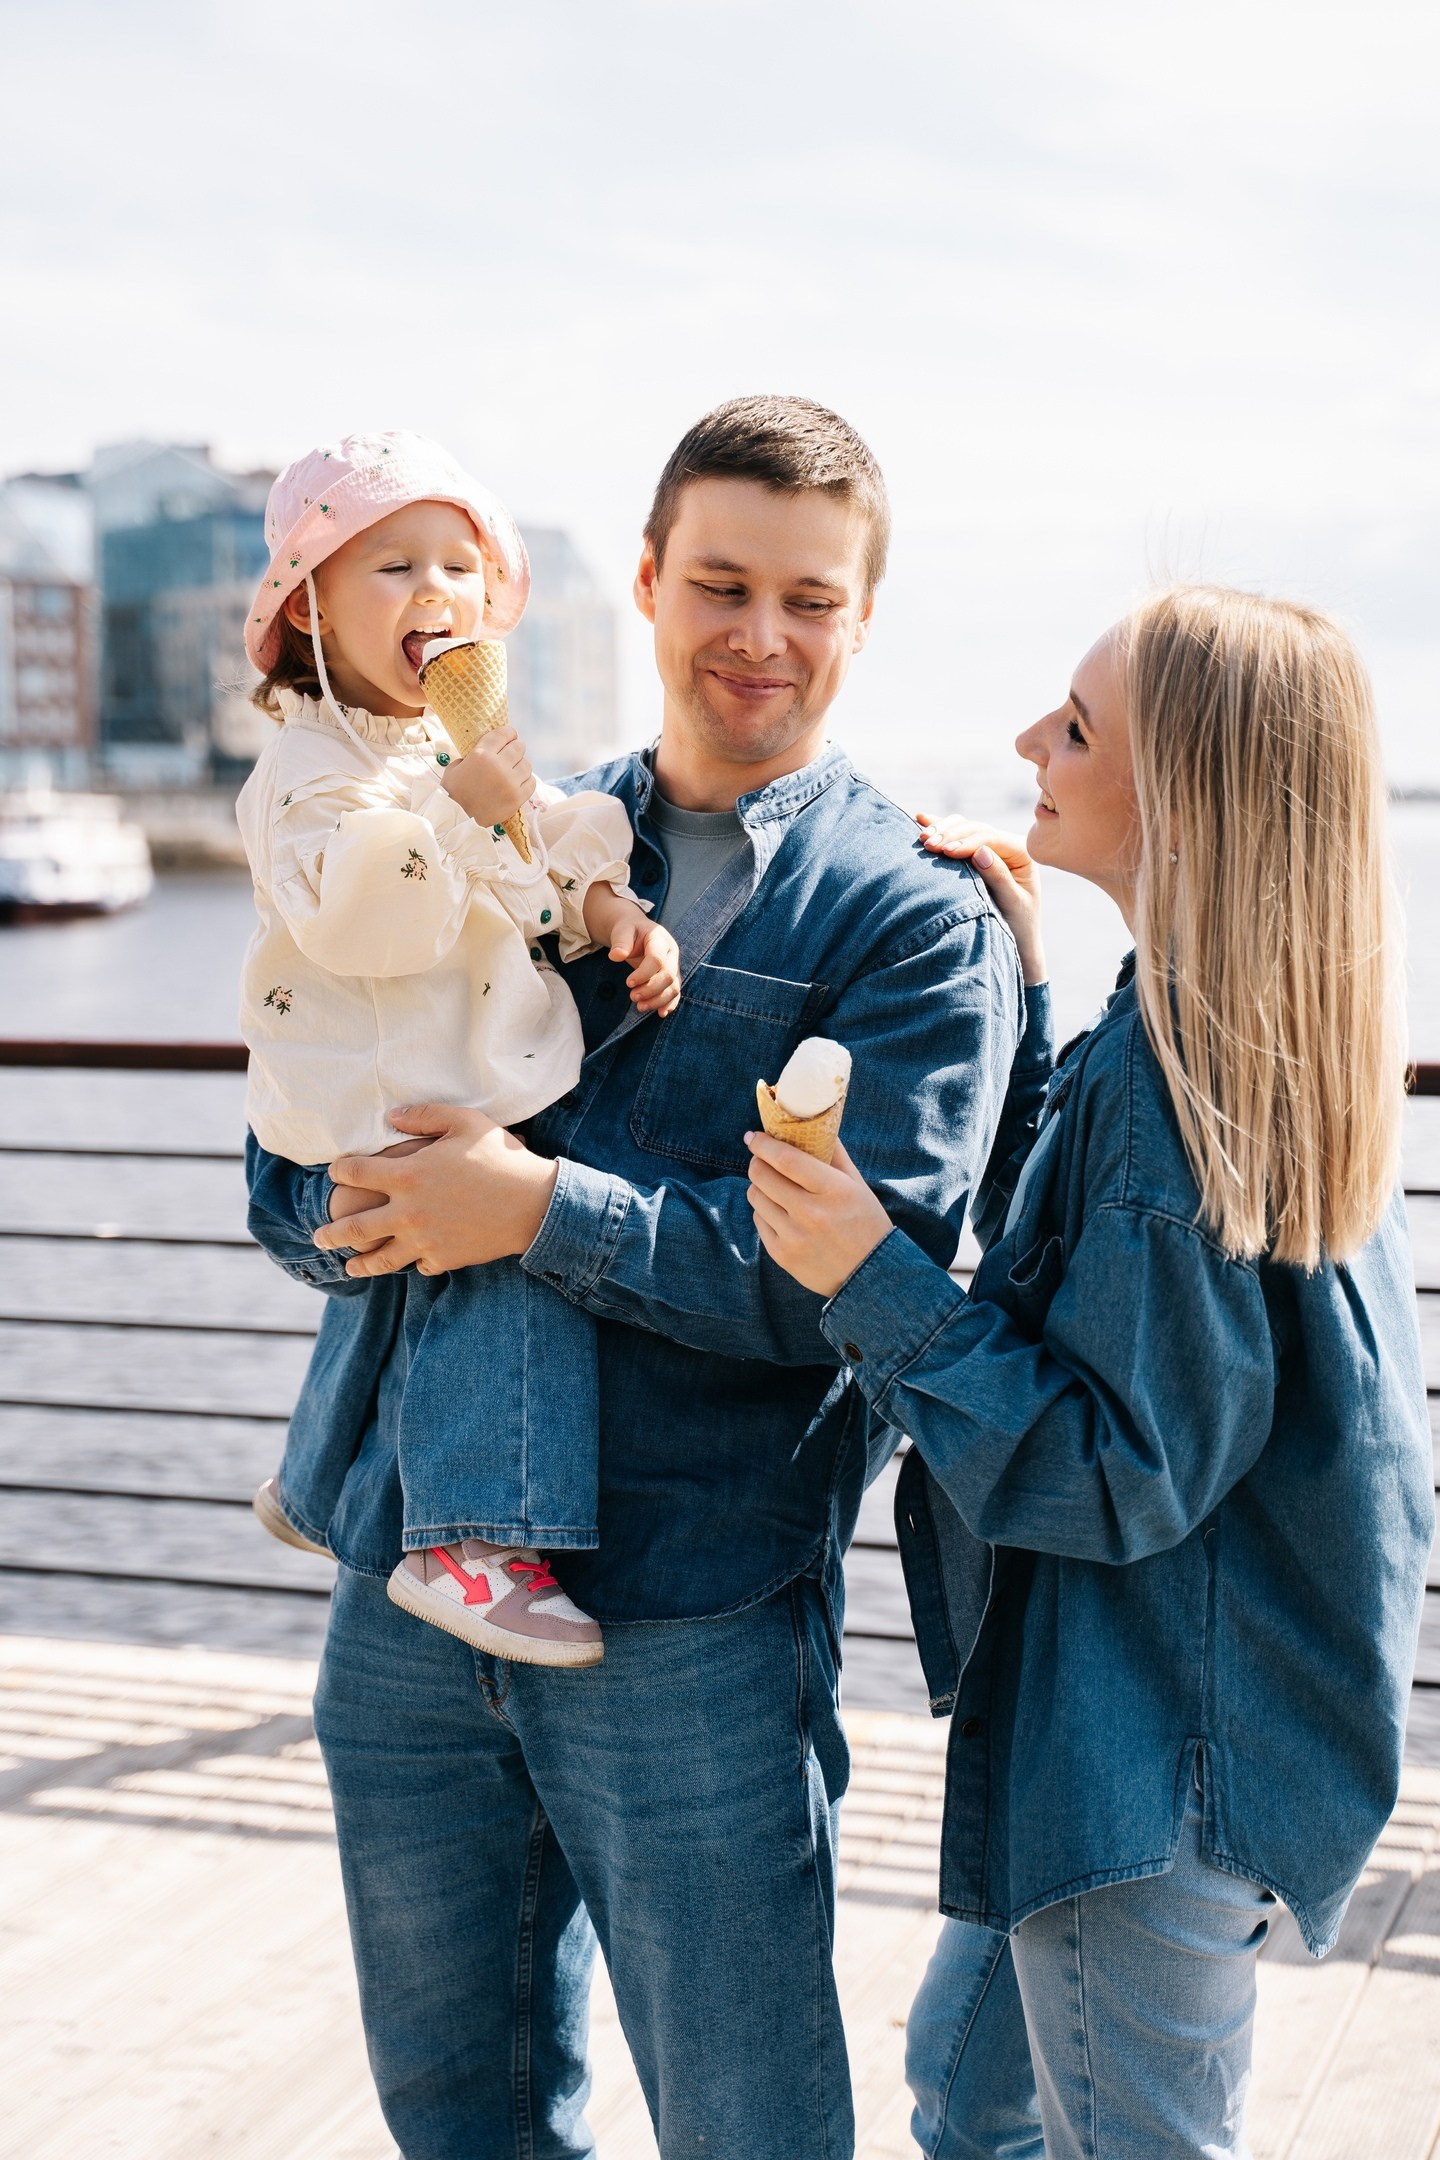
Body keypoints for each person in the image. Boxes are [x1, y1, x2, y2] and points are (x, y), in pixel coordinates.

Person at [246, 395, 1023, 2157]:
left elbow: (846, 1285)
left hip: (690, 1622)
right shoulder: (487, 812)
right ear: (652, 583)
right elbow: (291, 1150)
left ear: (862, 620)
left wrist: (529, 1210)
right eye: (724, 582)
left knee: (748, 2132)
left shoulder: (911, 920)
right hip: (401, 1596)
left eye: (810, 599)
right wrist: (349, 1193)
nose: (761, 635)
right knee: (461, 2123)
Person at [745, 584, 1434, 2159]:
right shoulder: (1227, 1036)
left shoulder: (1179, 1089)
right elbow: (1102, 1284)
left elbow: (1115, 1468)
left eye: (1075, 726)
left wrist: (869, 1273)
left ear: (1184, 790)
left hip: (1147, 1763)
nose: (1025, 744)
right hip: (1184, 1717)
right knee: (966, 2084)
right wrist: (1032, 984)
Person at [238, 429, 680, 1668]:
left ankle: (323, 1480)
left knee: (410, 1281)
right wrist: (457, 804)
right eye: (389, 568)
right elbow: (361, 918)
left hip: (420, 1086)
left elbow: (532, 853)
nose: (435, 591)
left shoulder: (443, 751)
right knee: (495, 1262)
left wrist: (611, 913)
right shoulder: (305, 769)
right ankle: (469, 1545)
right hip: (366, 1097)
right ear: (311, 606)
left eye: (457, 566)